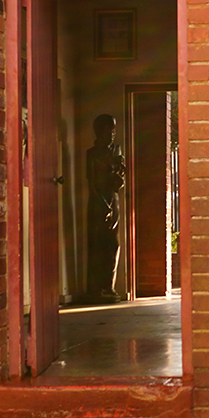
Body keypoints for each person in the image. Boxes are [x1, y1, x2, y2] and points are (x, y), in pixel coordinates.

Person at [84, 113, 125, 302]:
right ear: (99, 130)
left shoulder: (116, 151)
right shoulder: (91, 154)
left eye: (114, 129)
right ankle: (95, 288)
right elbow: (91, 182)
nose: (112, 133)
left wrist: (119, 175)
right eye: (109, 128)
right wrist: (102, 203)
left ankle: (109, 286)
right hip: (97, 201)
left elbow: (119, 182)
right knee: (96, 244)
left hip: (112, 199)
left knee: (112, 244)